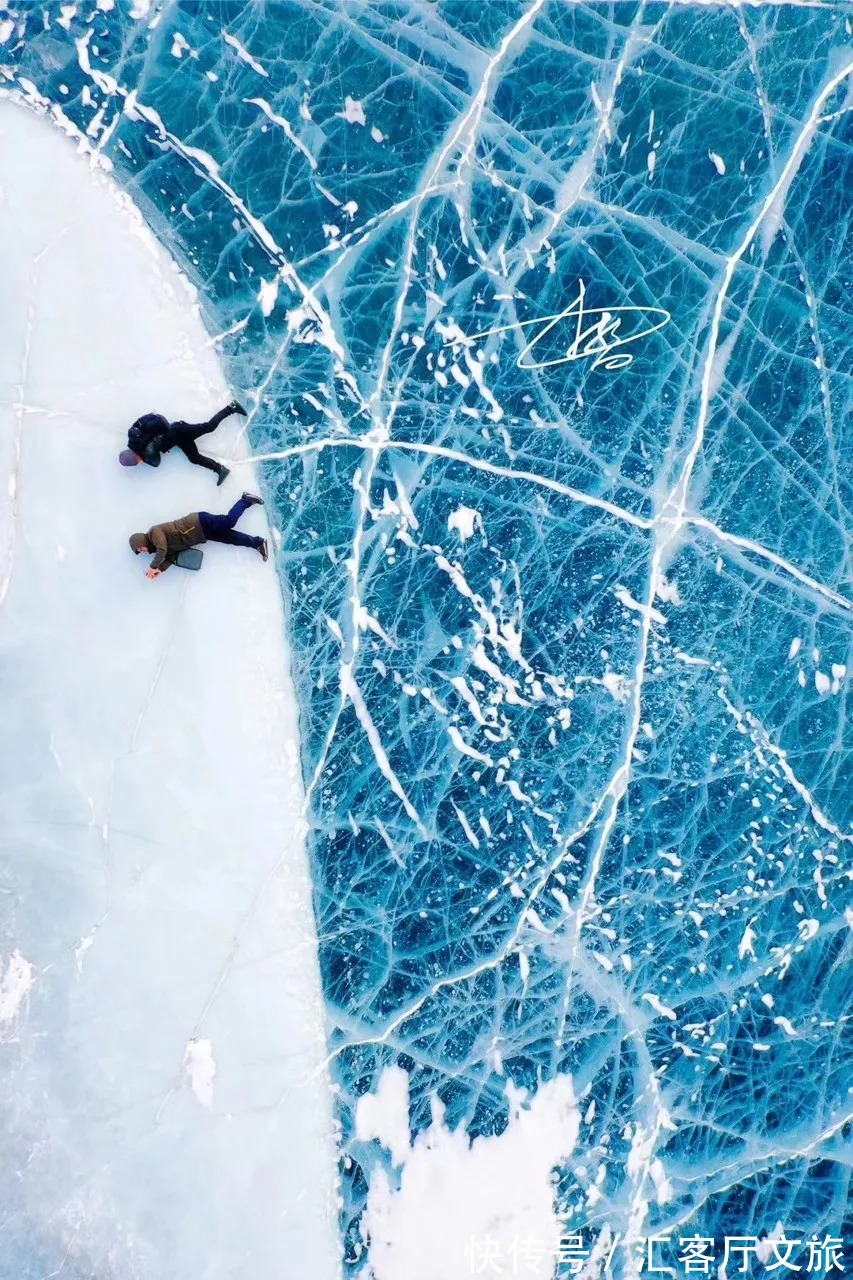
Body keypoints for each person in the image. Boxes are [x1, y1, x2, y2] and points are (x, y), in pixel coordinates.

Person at [128, 493, 268, 578]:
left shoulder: (154, 532)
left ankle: (245, 500)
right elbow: (170, 556)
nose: (143, 551)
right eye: (140, 552)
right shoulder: (158, 547)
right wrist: (160, 569)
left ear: (141, 541)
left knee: (228, 522)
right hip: (202, 534)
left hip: (198, 522)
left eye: (140, 548)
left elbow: (162, 549)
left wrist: (152, 567)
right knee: (230, 538)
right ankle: (258, 543)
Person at [119, 400, 247, 485]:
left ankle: (231, 407)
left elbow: (156, 462)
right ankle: (221, 469)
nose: (139, 463)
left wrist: (163, 436)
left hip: (180, 430)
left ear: (135, 457)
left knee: (209, 427)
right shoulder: (136, 442)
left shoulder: (145, 449)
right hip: (178, 438)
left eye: (136, 462)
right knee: (194, 458)